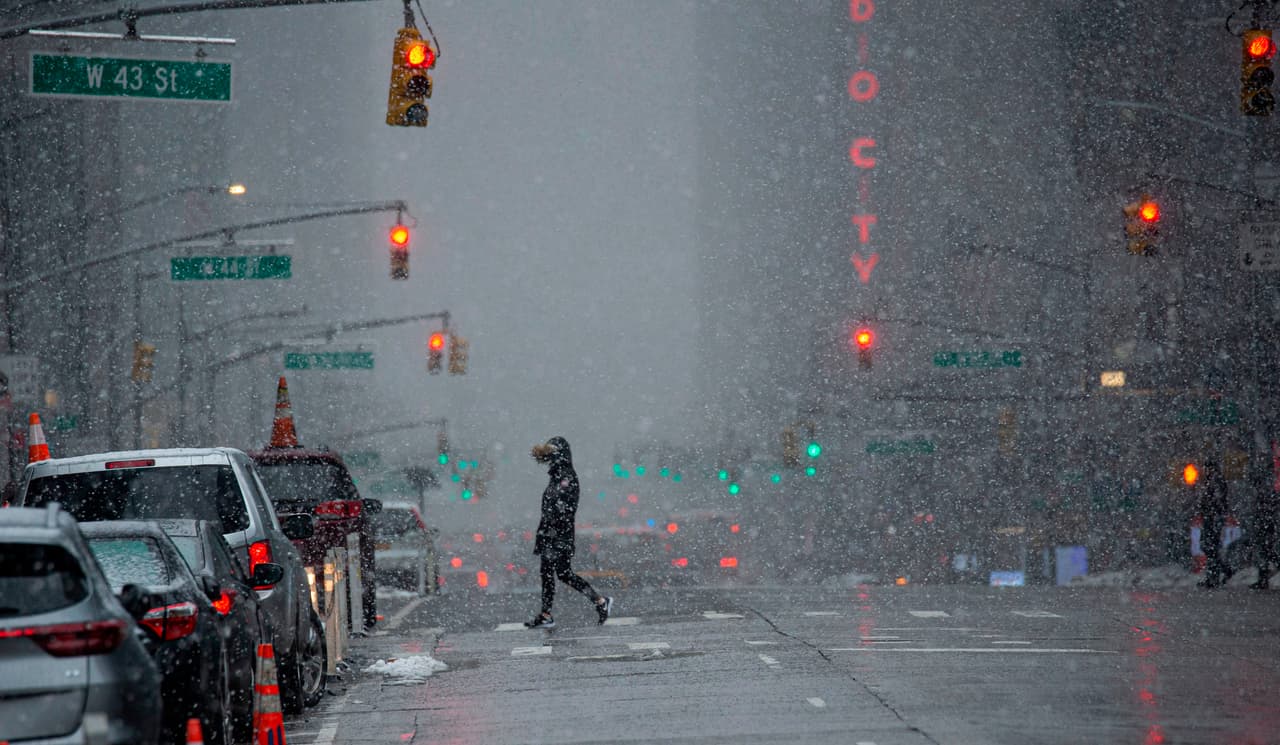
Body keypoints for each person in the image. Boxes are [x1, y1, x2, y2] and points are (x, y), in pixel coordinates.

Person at [524, 436, 612, 628]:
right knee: (547, 573)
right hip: (550, 534)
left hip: (560, 534)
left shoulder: (566, 475)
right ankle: (546, 614)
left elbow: (565, 506)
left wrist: (555, 525)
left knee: (563, 573)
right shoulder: (556, 475)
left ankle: (600, 601)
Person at [1198, 460, 1233, 589]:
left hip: (1213, 517)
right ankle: (1217, 573)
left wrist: (1210, 510)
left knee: (1210, 546)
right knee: (1209, 546)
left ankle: (1215, 575)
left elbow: (1217, 500)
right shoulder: (1211, 480)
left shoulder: (1215, 481)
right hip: (1212, 517)